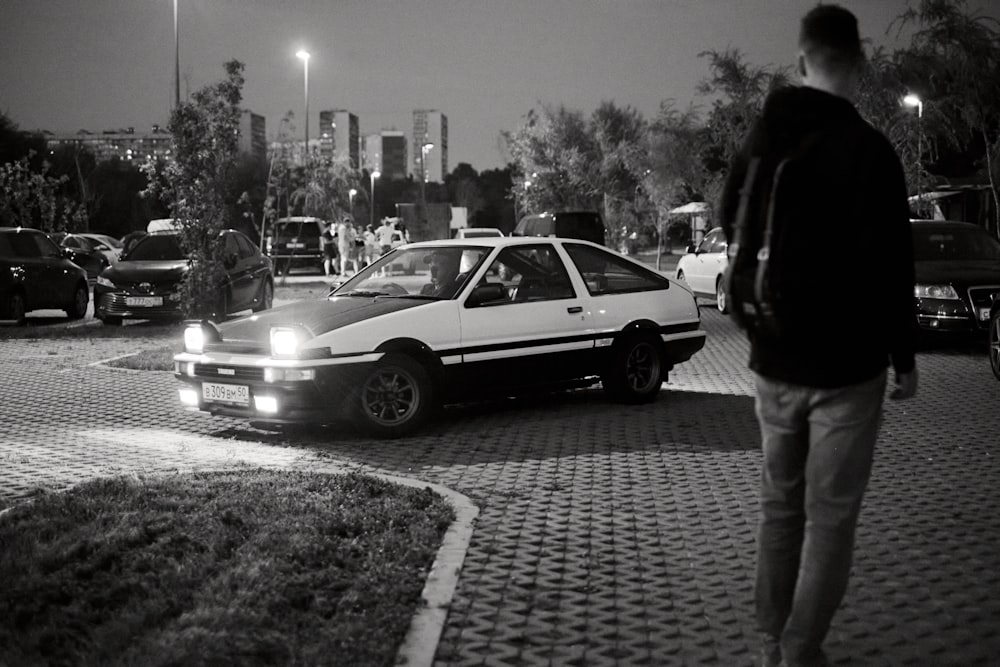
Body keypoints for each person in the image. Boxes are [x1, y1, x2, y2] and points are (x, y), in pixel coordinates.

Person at [718, 6, 918, 667]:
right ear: (857, 66)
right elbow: (895, 266)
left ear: (802, 62)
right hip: (848, 370)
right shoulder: (873, 152)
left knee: (781, 505)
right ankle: (801, 649)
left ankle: (772, 637)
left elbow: (728, 212)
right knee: (830, 518)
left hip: (774, 357)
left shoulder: (766, 136)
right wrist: (904, 358)